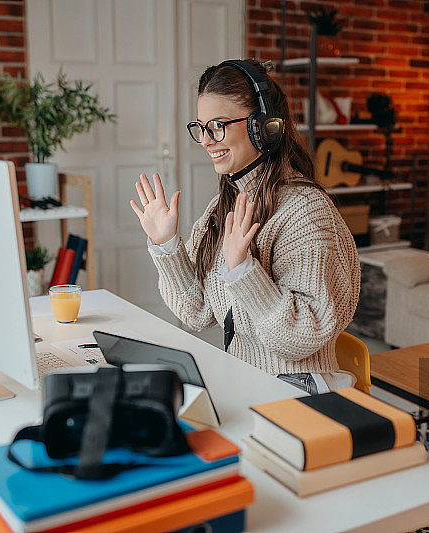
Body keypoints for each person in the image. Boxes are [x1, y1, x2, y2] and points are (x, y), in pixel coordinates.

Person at [129, 59, 360, 394]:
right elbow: (197, 313)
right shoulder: (224, 206)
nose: (207, 141)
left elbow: (300, 338)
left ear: (265, 127)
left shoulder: (305, 211)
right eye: (201, 127)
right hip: (244, 380)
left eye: (218, 125)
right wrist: (166, 245)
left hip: (299, 392)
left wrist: (243, 269)